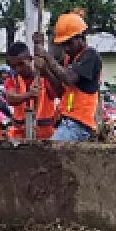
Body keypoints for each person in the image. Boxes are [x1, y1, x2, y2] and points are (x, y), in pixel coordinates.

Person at [34, 12, 103, 142]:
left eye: (69, 43)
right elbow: (61, 92)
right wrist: (46, 72)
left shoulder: (90, 56)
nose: (66, 48)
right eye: (63, 44)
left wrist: (46, 55)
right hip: (67, 121)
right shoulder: (69, 60)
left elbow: (67, 78)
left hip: (79, 124)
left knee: (51, 155)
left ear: (80, 38)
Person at [3, 42, 58, 140]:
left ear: (30, 59)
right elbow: (10, 98)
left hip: (45, 136)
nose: (18, 69)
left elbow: (56, 93)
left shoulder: (44, 77)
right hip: (18, 136)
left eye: (21, 64)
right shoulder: (12, 79)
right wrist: (29, 94)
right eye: (13, 66)